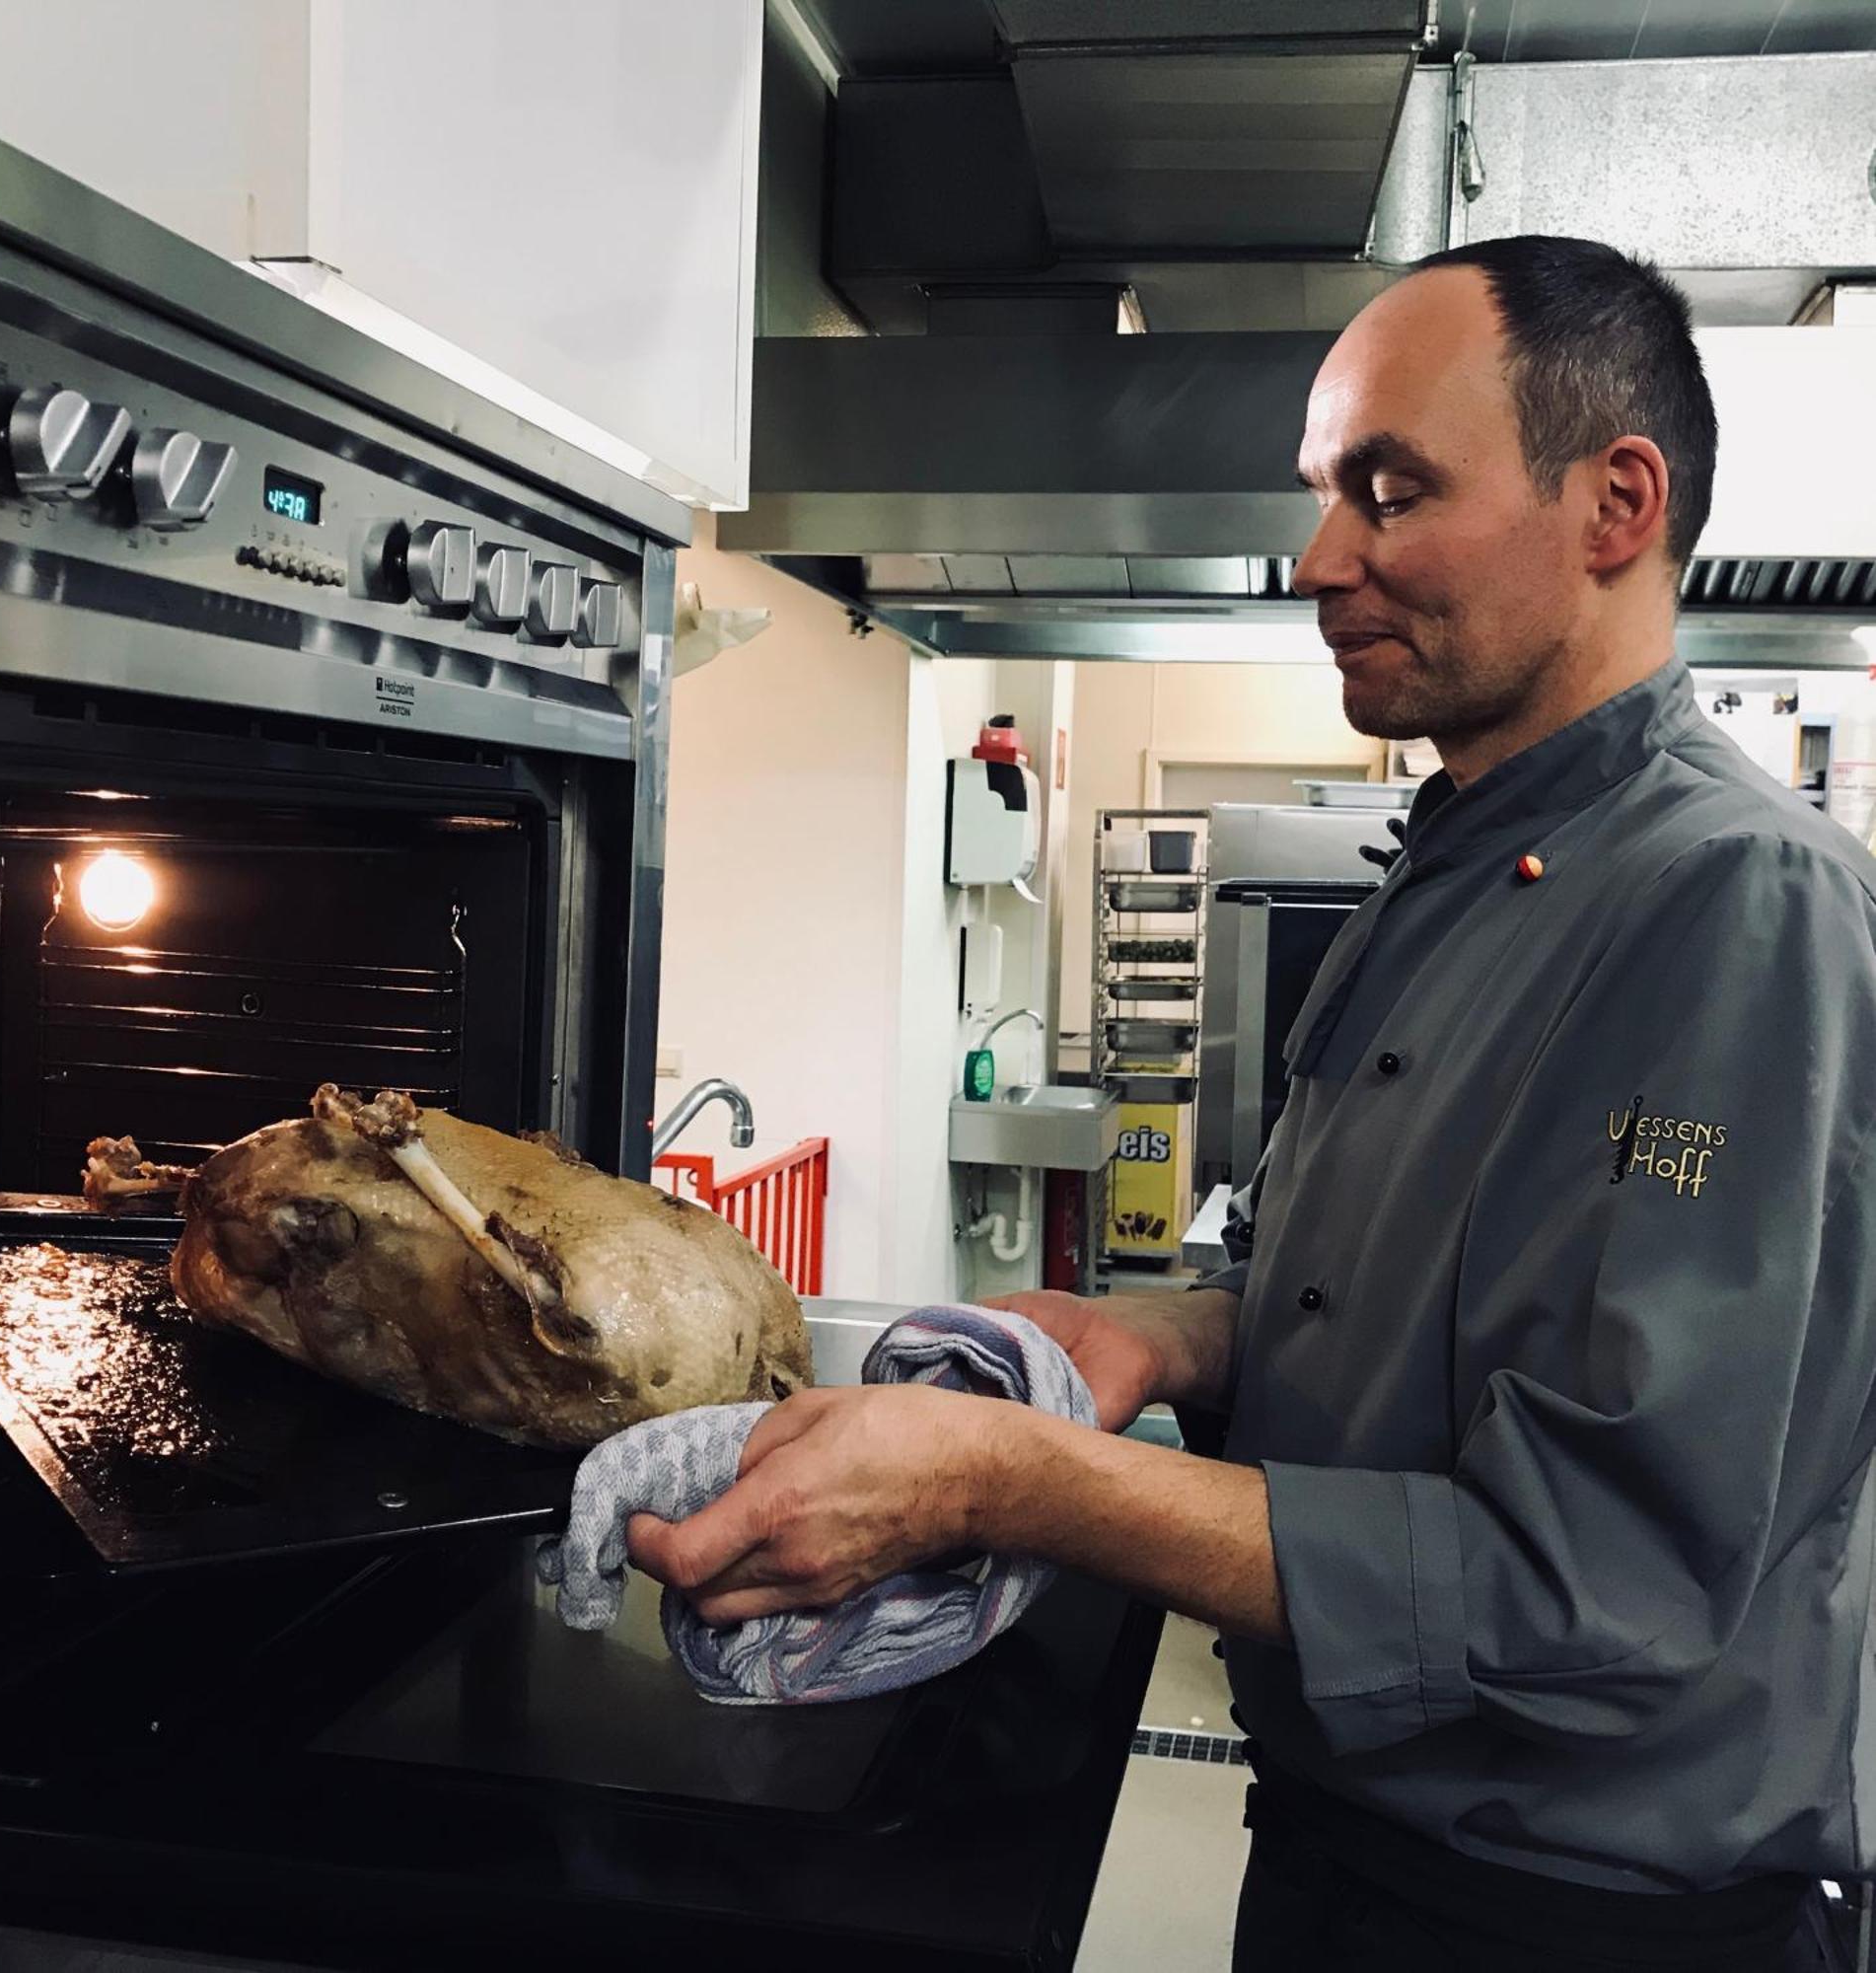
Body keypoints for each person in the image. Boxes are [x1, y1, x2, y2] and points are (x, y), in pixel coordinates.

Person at [628, 236, 1875, 1971]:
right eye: (1323, 493)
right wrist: (1160, 1341)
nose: (1322, 560)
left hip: (1576, 1923)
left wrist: (1014, 1477)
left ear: (1616, 504)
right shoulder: (1441, 866)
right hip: (1338, 1857)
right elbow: (1392, 1317)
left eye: (1391, 488)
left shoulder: (1743, 906)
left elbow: (1603, 1584)